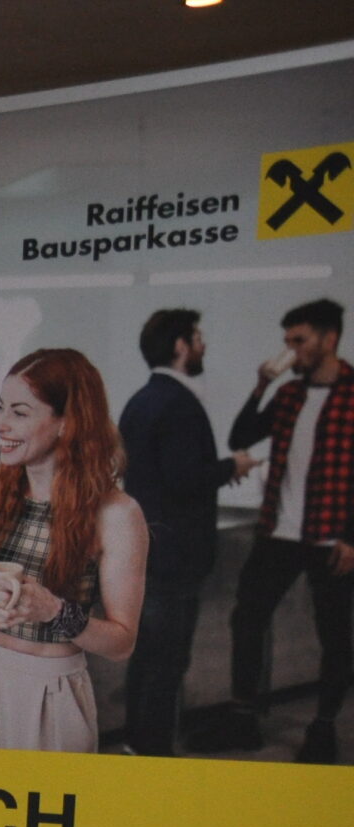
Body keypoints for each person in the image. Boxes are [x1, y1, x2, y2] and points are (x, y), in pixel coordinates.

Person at [0, 349, 146, 753]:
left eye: (20, 412)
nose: (1, 425)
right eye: (0, 408)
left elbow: (122, 643)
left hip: (50, 689)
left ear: (67, 423)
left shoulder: (116, 514)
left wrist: (53, 611)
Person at [209, 298, 353, 763]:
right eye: (287, 341)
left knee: (336, 636)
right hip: (279, 532)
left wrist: (352, 537)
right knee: (247, 618)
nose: (291, 349)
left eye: (300, 340)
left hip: (332, 537)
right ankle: (243, 718)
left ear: (329, 338)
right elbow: (240, 438)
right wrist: (260, 386)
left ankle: (323, 728)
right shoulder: (289, 394)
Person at [118, 309, 256, 755]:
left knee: (146, 656)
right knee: (168, 661)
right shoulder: (179, 404)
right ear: (180, 346)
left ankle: (136, 745)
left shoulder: (140, 401)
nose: (203, 345)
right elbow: (183, 478)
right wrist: (231, 466)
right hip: (176, 556)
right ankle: (155, 754)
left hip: (147, 549)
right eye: (197, 337)